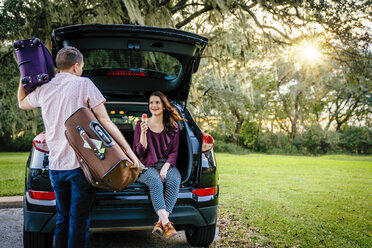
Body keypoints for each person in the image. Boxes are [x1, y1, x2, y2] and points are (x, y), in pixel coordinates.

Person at [17, 46, 140, 248]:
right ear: (76, 66)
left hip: (56, 168)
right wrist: (129, 152)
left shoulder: (45, 88)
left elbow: (21, 102)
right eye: (81, 66)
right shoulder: (83, 84)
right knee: (78, 220)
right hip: (79, 168)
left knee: (63, 218)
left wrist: (24, 77)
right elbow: (105, 122)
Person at [133, 91, 182, 239]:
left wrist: (165, 168)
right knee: (155, 182)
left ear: (163, 105)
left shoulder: (173, 126)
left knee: (174, 180)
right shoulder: (140, 125)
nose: (153, 105)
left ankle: (160, 224)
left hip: (166, 164)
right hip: (146, 165)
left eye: (157, 102)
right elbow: (140, 152)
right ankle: (167, 223)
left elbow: (174, 152)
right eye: (151, 103)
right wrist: (143, 133)